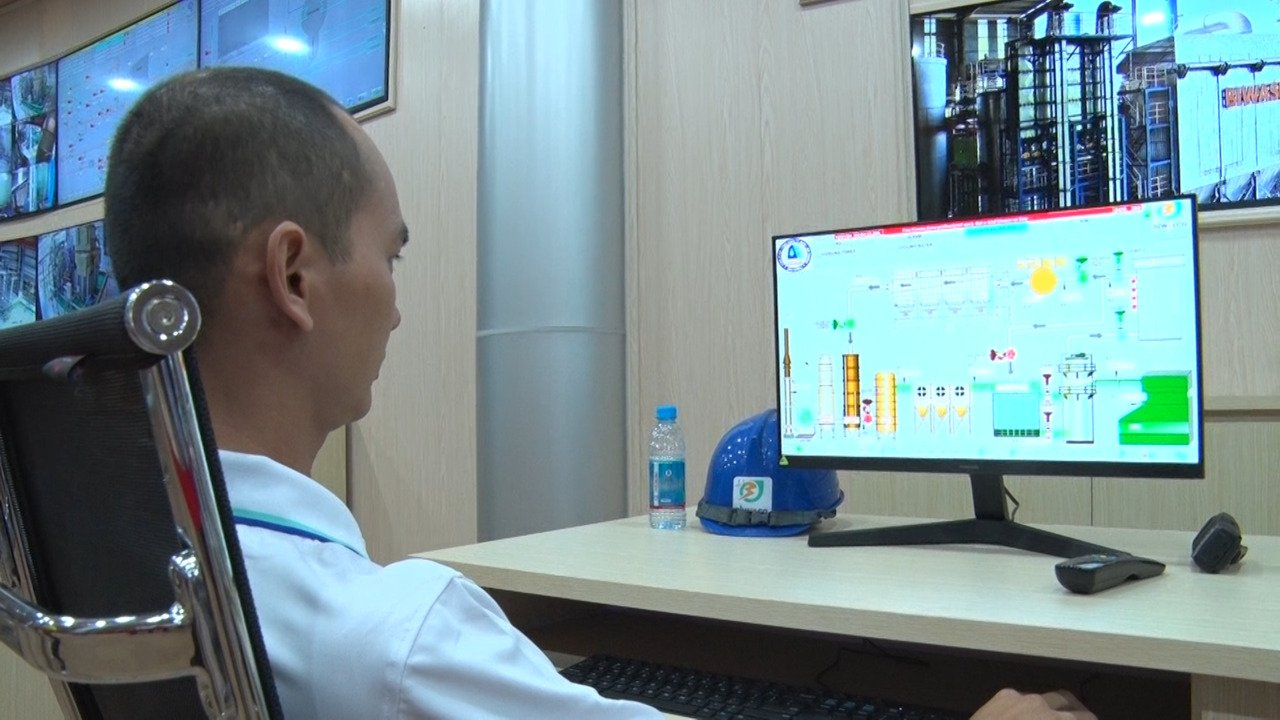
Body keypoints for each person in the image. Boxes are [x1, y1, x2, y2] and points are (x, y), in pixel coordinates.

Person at [103, 67, 1095, 720]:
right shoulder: (392, 642)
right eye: (391, 256)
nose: (397, 309)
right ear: (293, 275)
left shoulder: (112, 561)